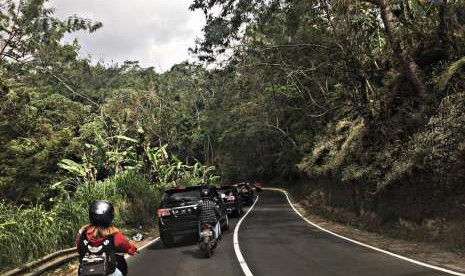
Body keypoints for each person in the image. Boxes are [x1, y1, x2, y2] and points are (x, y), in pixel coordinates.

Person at [76, 200, 137, 276]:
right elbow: (124, 246)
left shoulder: (82, 232)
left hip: (85, 271)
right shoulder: (113, 232)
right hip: (108, 272)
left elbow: (79, 248)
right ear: (110, 215)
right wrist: (131, 249)